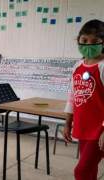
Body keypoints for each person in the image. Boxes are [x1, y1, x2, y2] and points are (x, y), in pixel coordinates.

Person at [64, 19, 104, 180]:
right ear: (78, 40)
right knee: (89, 170)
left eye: (95, 41)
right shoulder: (77, 66)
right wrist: (68, 123)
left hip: (99, 130)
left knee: (81, 171)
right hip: (83, 127)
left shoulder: (102, 66)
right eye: (84, 40)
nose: (88, 45)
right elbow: (72, 96)